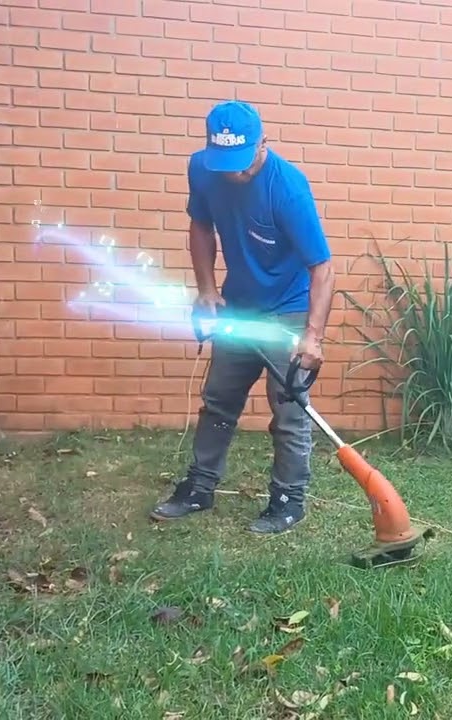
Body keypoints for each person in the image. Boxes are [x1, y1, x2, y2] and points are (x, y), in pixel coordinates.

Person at [149, 100, 336, 534]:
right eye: (223, 162)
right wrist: (208, 289)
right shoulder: (203, 168)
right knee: (219, 399)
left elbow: (322, 267)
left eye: (241, 162)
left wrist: (313, 336)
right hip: (239, 305)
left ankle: (288, 499)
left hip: (287, 309)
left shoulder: (287, 188)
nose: (232, 173)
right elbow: (200, 226)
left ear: (262, 144)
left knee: (288, 410)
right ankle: (200, 487)